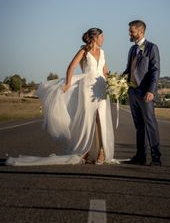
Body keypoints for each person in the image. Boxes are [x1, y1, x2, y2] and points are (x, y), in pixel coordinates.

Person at [6, 28, 115, 166]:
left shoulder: (103, 53)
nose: (103, 39)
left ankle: (101, 151)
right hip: (87, 89)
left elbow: (105, 72)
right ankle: (85, 150)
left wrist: (112, 84)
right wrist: (68, 83)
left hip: (100, 88)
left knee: (101, 119)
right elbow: (71, 67)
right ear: (95, 38)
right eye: (102, 36)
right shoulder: (84, 51)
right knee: (88, 119)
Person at [124, 20, 162, 166]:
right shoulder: (131, 50)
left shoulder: (152, 48)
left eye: (131, 31)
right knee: (139, 126)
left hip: (146, 93)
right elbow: (129, 70)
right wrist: (117, 80)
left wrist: (151, 91)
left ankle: (156, 157)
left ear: (140, 32)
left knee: (150, 124)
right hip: (133, 93)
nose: (129, 33)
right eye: (129, 31)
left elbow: (155, 70)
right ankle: (140, 156)